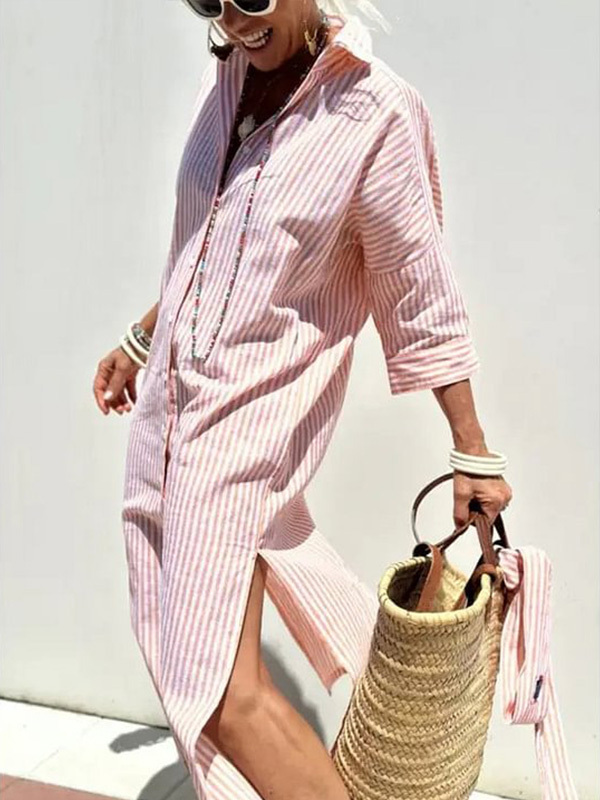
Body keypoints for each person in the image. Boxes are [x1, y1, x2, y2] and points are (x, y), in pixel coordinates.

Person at [92, 1, 513, 798]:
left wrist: (471, 446)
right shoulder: (226, 85)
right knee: (181, 658)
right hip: (167, 421)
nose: (231, 19)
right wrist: (143, 338)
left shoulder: (374, 113)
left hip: (244, 432)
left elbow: (417, 287)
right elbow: (207, 243)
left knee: (223, 692)